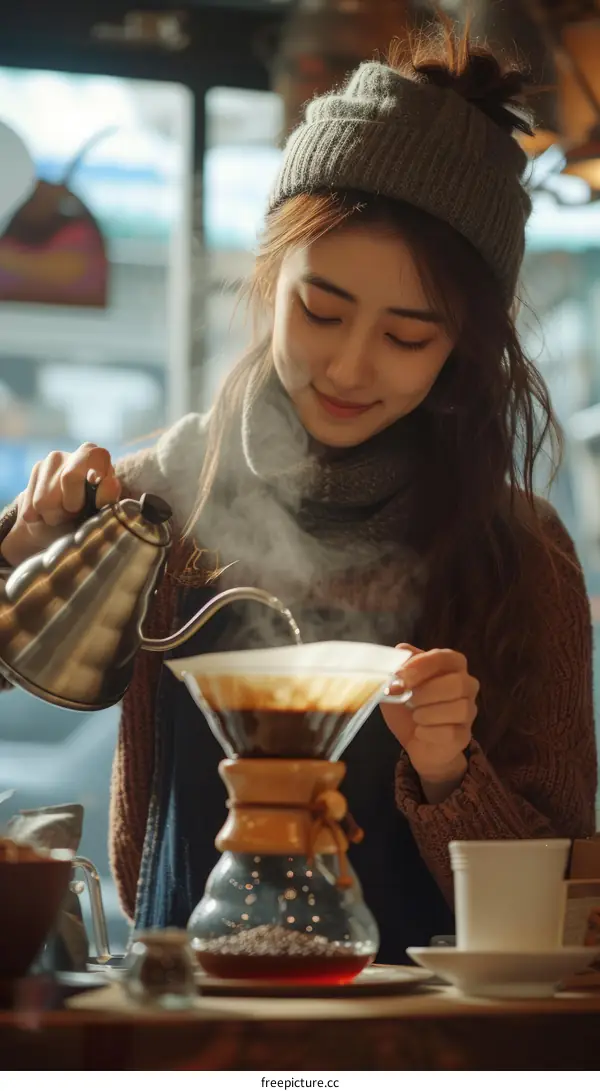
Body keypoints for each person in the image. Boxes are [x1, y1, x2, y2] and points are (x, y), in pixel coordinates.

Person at [0, 24, 597, 962]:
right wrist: (20, 553)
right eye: (320, 310)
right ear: (271, 274)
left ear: (463, 352)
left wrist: (450, 772)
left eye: (409, 337)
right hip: (183, 1027)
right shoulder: (163, 494)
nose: (351, 367)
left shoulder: (519, 552)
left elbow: (564, 906)